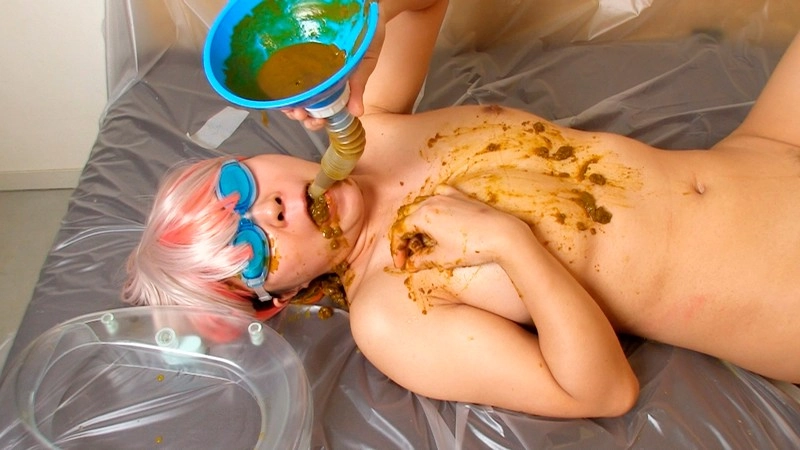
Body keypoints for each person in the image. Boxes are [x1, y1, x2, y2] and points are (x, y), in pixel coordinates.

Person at [124, 0, 800, 418]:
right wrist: (511, 243)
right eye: (251, 250)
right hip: (771, 287)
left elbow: (423, 4)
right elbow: (600, 392)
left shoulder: (373, 125)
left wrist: (366, 33)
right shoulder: (390, 314)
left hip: (764, 149)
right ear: (279, 298)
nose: (269, 210)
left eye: (240, 187)